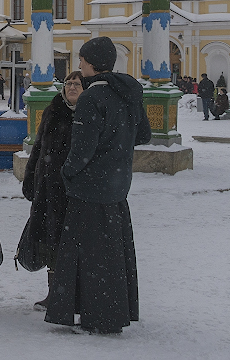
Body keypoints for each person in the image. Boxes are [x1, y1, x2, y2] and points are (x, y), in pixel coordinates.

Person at [45, 37, 151, 335]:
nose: (79, 65)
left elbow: (82, 150)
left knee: (88, 255)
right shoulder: (128, 92)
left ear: (93, 62)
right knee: (112, 254)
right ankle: (114, 310)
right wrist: (117, 145)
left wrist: (68, 173)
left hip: (89, 188)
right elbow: (143, 135)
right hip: (117, 186)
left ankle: (94, 313)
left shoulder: (93, 97)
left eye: (82, 60)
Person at [23, 71, 83, 311]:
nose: (71, 87)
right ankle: (54, 293)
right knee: (51, 243)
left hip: (75, 192)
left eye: (77, 84)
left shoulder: (88, 115)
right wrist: (30, 179)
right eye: (68, 83)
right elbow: (38, 148)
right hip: (49, 190)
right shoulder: (53, 110)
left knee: (74, 244)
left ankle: (76, 294)